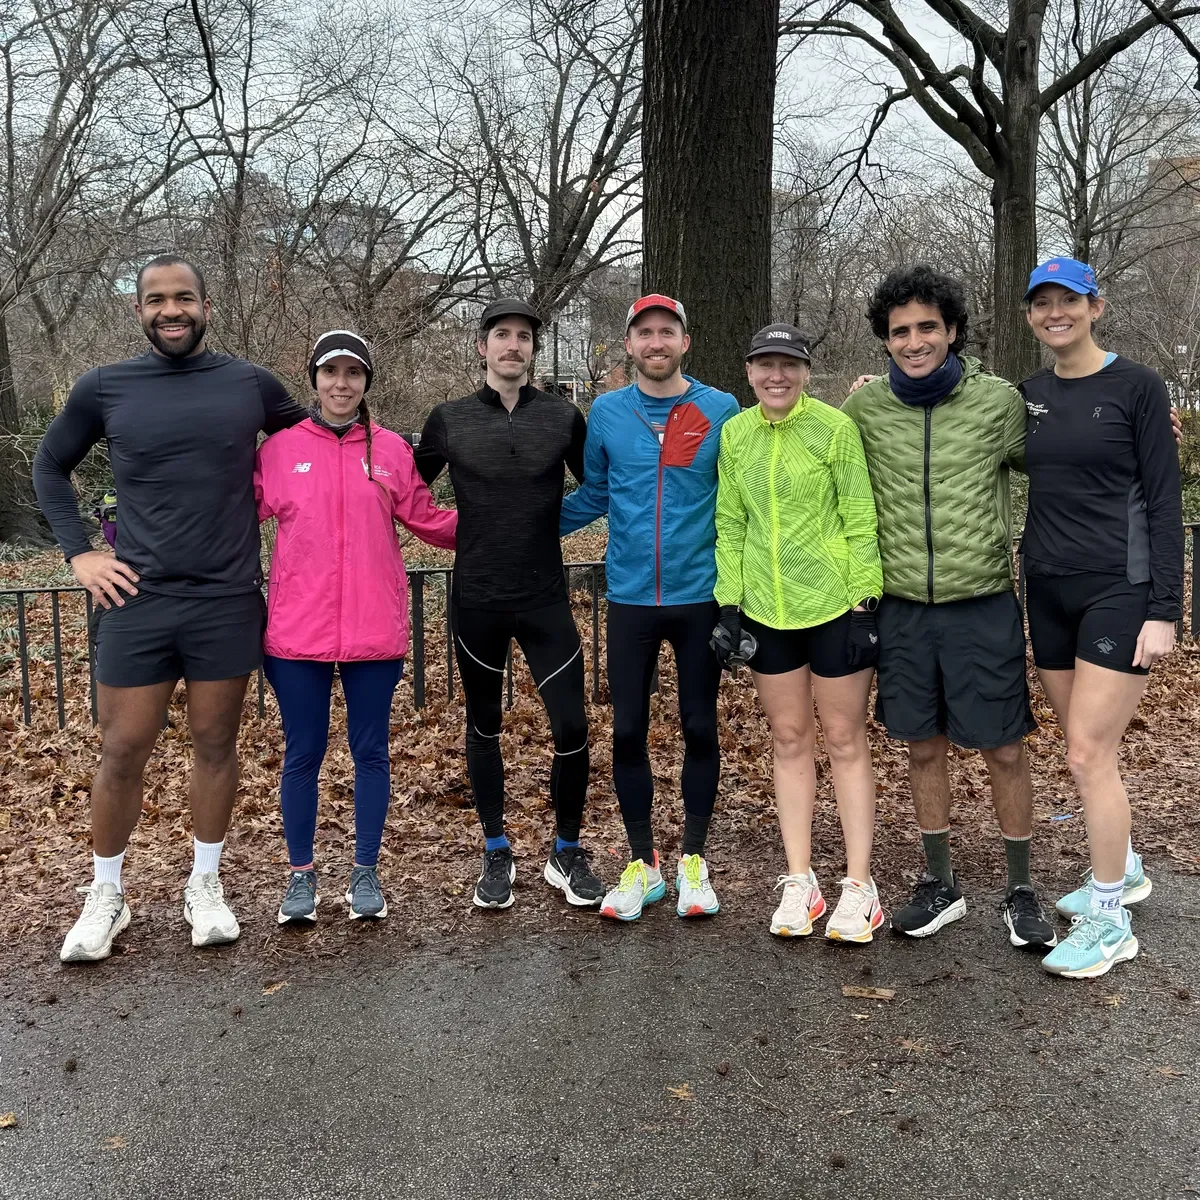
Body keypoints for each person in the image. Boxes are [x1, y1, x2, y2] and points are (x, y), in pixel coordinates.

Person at [32, 254, 307, 962]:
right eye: (156, 299)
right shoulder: (104, 387)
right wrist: (80, 554)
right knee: (123, 749)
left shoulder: (250, 385)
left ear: (206, 306)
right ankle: (107, 895)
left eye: (184, 297)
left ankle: (204, 885)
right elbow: (49, 465)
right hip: (137, 600)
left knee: (216, 745)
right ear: (139, 310)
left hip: (225, 598)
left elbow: (318, 448)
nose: (171, 310)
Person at [841, 266, 1059, 951]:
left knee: (1004, 749)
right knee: (922, 747)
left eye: (927, 327)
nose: (914, 341)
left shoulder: (998, 404)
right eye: (900, 331)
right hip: (903, 608)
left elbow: (1065, 459)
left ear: (953, 330)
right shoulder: (864, 411)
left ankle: (1020, 889)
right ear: (885, 339)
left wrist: (1143, 432)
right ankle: (940, 882)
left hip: (982, 602)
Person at [255, 331, 457, 923]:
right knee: (303, 754)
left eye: (353, 373)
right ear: (314, 379)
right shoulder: (280, 449)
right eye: (331, 372)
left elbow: (427, 519)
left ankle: (365, 872)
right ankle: (301, 877)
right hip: (297, 633)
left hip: (373, 631)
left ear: (366, 382)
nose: (341, 384)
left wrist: (503, 522)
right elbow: (232, 518)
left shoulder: (390, 449)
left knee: (371, 753)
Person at [1018, 258, 1182, 979]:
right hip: (1047, 589)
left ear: (1096, 306)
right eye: (1042, 303)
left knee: (1089, 753)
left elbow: (1166, 501)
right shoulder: (1026, 396)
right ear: (1030, 315)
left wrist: (1166, 610)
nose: (1055, 312)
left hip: (1120, 589)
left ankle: (1111, 918)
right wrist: (875, 392)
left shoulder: (1139, 386)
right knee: (1083, 748)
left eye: (1069, 300)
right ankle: (1127, 866)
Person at [415, 298, 603, 911]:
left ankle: (566, 850)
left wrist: (546, 525)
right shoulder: (448, 419)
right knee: (484, 725)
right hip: (478, 601)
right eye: (502, 334)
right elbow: (407, 491)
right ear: (483, 346)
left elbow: (598, 487)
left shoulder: (563, 416)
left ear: (533, 349)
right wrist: (461, 531)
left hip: (545, 598)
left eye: (523, 336)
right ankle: (496, 850)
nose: (513, 345)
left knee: (572, 725)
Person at [561, 294, 741, 921]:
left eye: (667, 331)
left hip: (699, 596)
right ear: (629, 344)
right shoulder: (608, 412)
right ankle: (643, 863)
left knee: (699, 727)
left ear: (685, 341)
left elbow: (740, 494)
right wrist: (523, 527)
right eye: (645, 333)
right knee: (628, 730)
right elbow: (596, 494)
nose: (656, 342)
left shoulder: (721, 408)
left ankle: (693, 860)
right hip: (630, 597)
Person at [713, 325, 885, 940]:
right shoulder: (735, 433)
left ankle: (860, 887)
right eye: (765, 365)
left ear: (806, 371)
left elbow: (860, 518)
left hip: (836, 606)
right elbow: (731, 522)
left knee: (844, 739)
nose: (777, 376)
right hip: (766, 610)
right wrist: (728, 604)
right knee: (788, 739)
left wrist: (866, 601)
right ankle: (800, 880)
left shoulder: (835, 429)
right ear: (749, 371)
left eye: (789, 364)